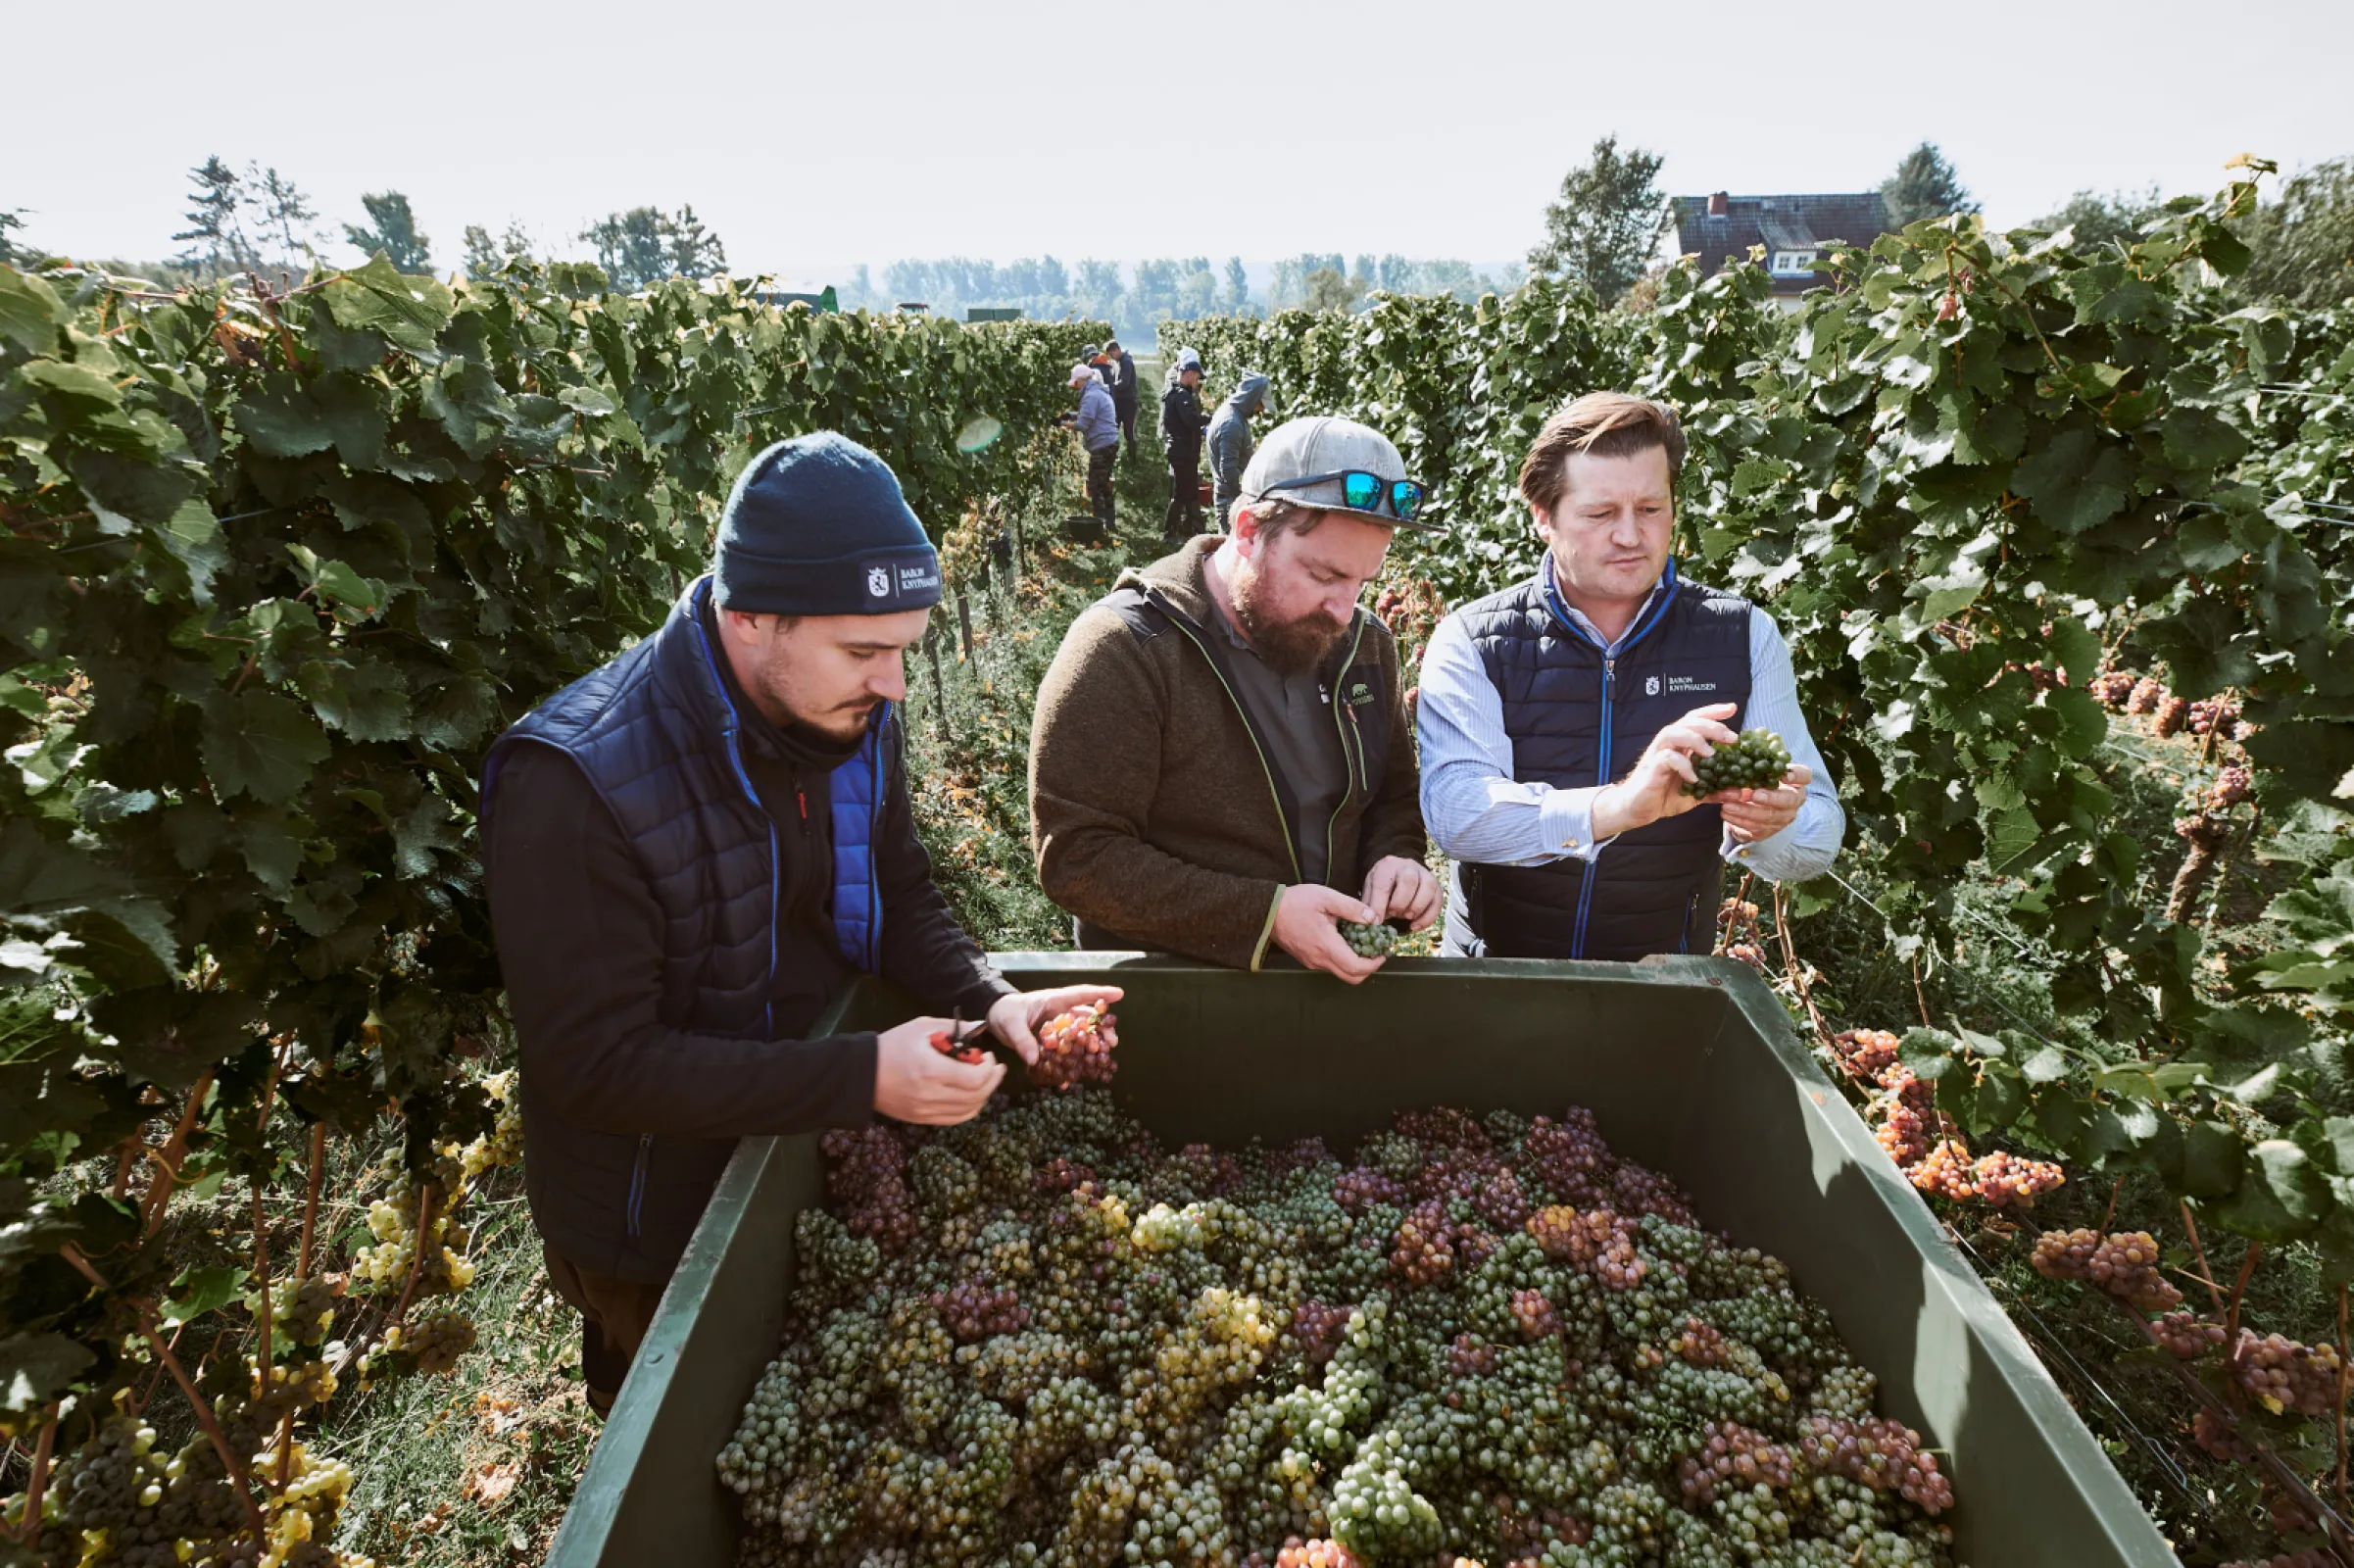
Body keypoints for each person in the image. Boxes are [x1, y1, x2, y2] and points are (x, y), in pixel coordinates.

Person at [480, 432, 1119, 1417]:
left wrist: (988, 1001)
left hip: (797, 1144)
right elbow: (596, 1066)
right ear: (746, 617)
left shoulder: (851, 714)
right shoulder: (575, 782)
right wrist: (861, 1076)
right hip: (657, 1225)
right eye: (864, 651)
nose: (893, 684)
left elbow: (899, 890)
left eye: (902, 650)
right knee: (687, 1437)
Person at [1415, 392, 1844, 960]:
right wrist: (1619, 808)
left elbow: (1819, 832)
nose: (1630, 536)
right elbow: (1458, 815)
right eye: (1600, 514)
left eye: (1650, 509)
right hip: (1499, 979)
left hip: (1660, 990)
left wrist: (1767, 826)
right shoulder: (1475, 640)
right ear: (1542, 517)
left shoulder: (1742, 638)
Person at [1030, 416, 1440, 982]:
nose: (1344, 609)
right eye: (1324, 576)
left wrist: (1397, 856)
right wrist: (1264, 917)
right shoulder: (1127, 650)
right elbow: (1077, 857)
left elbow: (1393, 795)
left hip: (1333, 985)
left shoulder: (1366, 645)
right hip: (1180, 997)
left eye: (1363, 582)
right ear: (1247, 530)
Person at [1206, 370, 1270, 531]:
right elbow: (1228, 471)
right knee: (1233, 551)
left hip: (1232, 498)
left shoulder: (1234, 414)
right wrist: (1249, 495)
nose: (1262, 410)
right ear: (1252, 399)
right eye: (1261, 404)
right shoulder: (1231, 424)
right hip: (1231, 502)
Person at [1160, 347, 1210, 543]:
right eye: (1197, 377)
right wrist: (1209, 419)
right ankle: (1169, 533)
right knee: (1182, 493)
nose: (1197, 382)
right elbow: (1191, 421)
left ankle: (1194, 531)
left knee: (1188, 491)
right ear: (1189, 374)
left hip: (1182, 450)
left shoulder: (1178, 392)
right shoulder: (1181, 396)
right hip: (1182, 451)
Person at [1068, 361, 1121, 531]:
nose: (1075, 387)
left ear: (1083, 380)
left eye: (1076, 382)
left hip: (1102, 445)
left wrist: (1062, 423)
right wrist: (1069, 415)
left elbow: (1083, 424)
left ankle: (1100, 525)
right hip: (1109, 443)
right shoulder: (1098, 392)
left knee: (1095, 486)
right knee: (1103, 483)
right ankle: (1110, 523)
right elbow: (1088, 414)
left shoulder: (1091, 396)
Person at [1103, 338, 1140, 461]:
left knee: (1128, 432)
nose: (1111, 357)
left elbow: (1124, 383)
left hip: (1127, 402)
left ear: (1117, 350)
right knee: (1114, 430)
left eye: (1111, 354)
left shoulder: (1126, 362)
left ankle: (1132, 460)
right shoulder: (1119, 361)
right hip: (1120, 401)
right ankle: (1112, 457)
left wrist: (1109, 387)